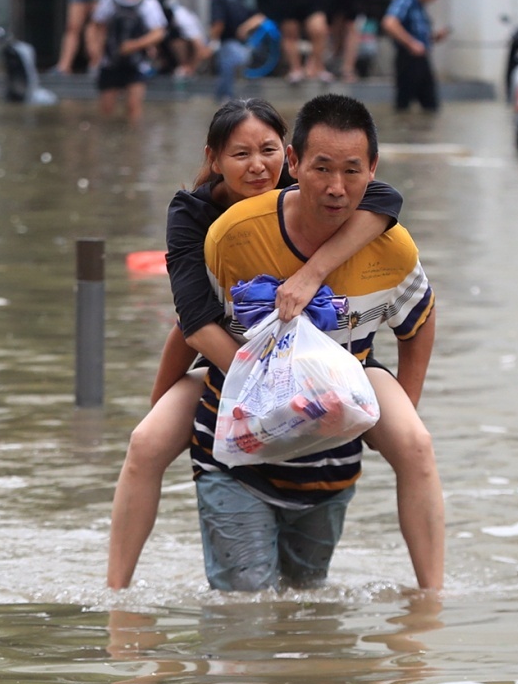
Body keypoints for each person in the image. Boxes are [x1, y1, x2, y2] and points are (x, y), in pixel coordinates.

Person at [105, 97, 444, 592]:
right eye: (240, 155)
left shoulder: (330, 194)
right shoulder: (204, 222)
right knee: (146, 442)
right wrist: (266, 383)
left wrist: (312, 273)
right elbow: (192, 324)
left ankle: (431, 598)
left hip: (338, 364)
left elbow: (384, 202)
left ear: (285, 157)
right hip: (234, 360)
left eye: (266, 150)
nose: (256, 167)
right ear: (214, 160)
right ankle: (117, 593)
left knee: (415, 443)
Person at [90, 0, 167, 122]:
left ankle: (133, 143)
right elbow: (96, 26)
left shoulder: (149, 3)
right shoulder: (108, 1)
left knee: (134, 108)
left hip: (136, 62)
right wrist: (93, 48)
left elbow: (158, 32)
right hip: (110, 60)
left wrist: (136, 44)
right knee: (106, 110)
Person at [382, 0, 449, 112]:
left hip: (421, 57)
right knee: (404, 101)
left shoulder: (418, 5)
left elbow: (418, 33)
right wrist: (411, 43)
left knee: (430, 103)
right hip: (408, 57)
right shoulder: (405, 0)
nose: (433, 0)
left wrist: (434, 37)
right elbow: (389, 23)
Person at [200, 0, 265, 100]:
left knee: (226, 76)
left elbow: (218, 23)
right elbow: (259, 17)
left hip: (229, 43)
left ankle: (225, 103)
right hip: (242, 44)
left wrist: (212, 44)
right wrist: (245, 28)